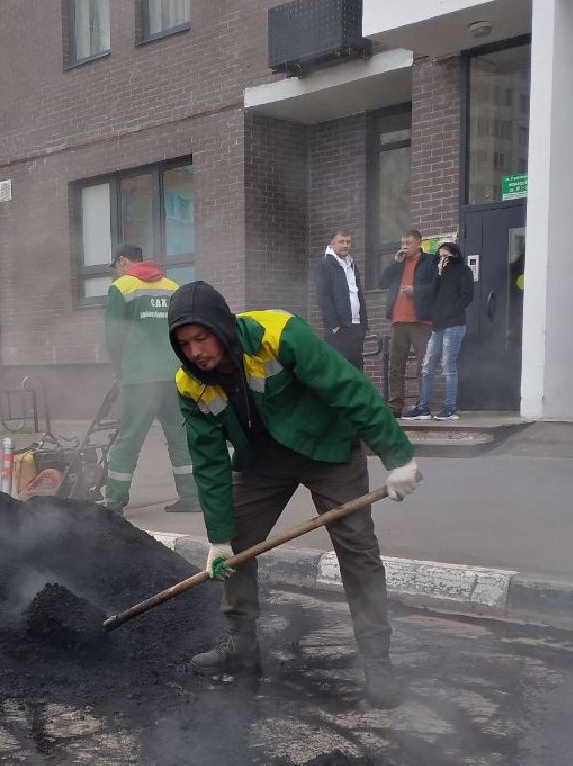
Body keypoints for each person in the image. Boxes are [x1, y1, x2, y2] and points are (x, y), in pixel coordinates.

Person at [167, 280, 423, 705]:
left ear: (221, 326)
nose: (195, 352)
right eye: (184, 344)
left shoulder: (278, 334)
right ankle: (242, 642)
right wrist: (218, 539)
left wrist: (397, 456)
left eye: (201, 337)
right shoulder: (190, 383)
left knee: (356, 547)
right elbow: (209, 463)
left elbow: (348, 388)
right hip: (263, 459)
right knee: (238, 544)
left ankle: (377, 660)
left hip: (327, 448)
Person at [101, 243, 199, 514]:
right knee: (180, 436)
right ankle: (192, 497)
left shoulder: (122, 288)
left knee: (129, 437)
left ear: (122, 261)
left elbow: (114, 337)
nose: (116, 272)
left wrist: (120, 369)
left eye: (116, 266)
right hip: (173, 374)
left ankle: (114, 503)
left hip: (140, 377)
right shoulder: (172, 287)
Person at [402, 241, 474, 421]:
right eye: (440, 257)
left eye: (446, 256)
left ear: (455, 256)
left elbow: (467, 296)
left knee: (448, 367)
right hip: (438, 325)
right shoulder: (439, 272)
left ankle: (450, 408)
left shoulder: (463, 271)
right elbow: (431, 294)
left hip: (454, 324)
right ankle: (423, 408)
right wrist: (439, 274)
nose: (443, 260)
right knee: (427, 367)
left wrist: (450, 312)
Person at [376, 230, 436, 416]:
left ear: (419, 244)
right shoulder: (399, 263)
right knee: (395, 366)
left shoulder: (430, 261)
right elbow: (382, 284)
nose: (404, 246)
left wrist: (415, 290)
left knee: (422, 366)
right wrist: (395, 263)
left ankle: (422, 406)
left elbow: (436, 287)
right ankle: (395, 406)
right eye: (403, 243)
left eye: (408, 243)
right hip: (398, 321)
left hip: (421, 321)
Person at [314, 229, 369, 370]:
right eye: (341, 241)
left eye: (348, 242)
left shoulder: (353, 265)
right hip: (338, 329)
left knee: (357, 372)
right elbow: (322, 298)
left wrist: (363, 324)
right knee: (337, 371)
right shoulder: (324, 266)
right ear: (332, 243)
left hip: (356, 327)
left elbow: (358, 295)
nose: (345, 245)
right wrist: (334, 326)